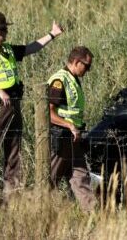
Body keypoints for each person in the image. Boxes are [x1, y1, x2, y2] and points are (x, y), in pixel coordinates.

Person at [0, 11, 63, 201]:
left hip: (14, 104)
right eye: (4, 29)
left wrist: (52, 34)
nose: (7, 32)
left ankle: (12, 195)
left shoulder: (8, 50)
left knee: (13, 151)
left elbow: (30, 48)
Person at [47, 46, 96, 211]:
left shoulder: (73, 79)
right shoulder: (59, 80)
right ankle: (38, 212)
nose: (88, 70)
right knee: (50, 179)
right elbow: (48, 112)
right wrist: (69, 125)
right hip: (61, 138)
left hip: (75, 138)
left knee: (81, 178)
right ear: (76, 62)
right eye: (87, 66)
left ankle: (93, 217)